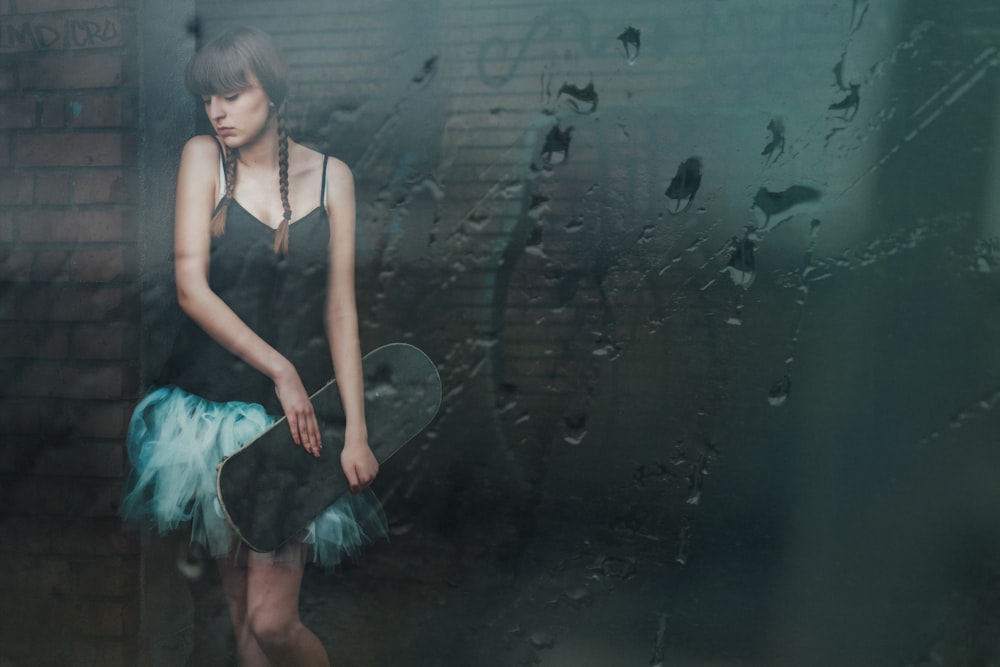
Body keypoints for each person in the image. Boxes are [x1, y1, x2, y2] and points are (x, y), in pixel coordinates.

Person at [120, 26, 388, 667]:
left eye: (232, 95)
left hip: (293, 428)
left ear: (273, 92)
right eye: (208, 98)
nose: (217, 111)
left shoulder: (333, 179)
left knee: (273, 623)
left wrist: (356, 428)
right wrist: (281, 368)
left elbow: (340, 310)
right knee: (243, 623)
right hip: (211, 417)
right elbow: (191, 288)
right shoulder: (201, 158)